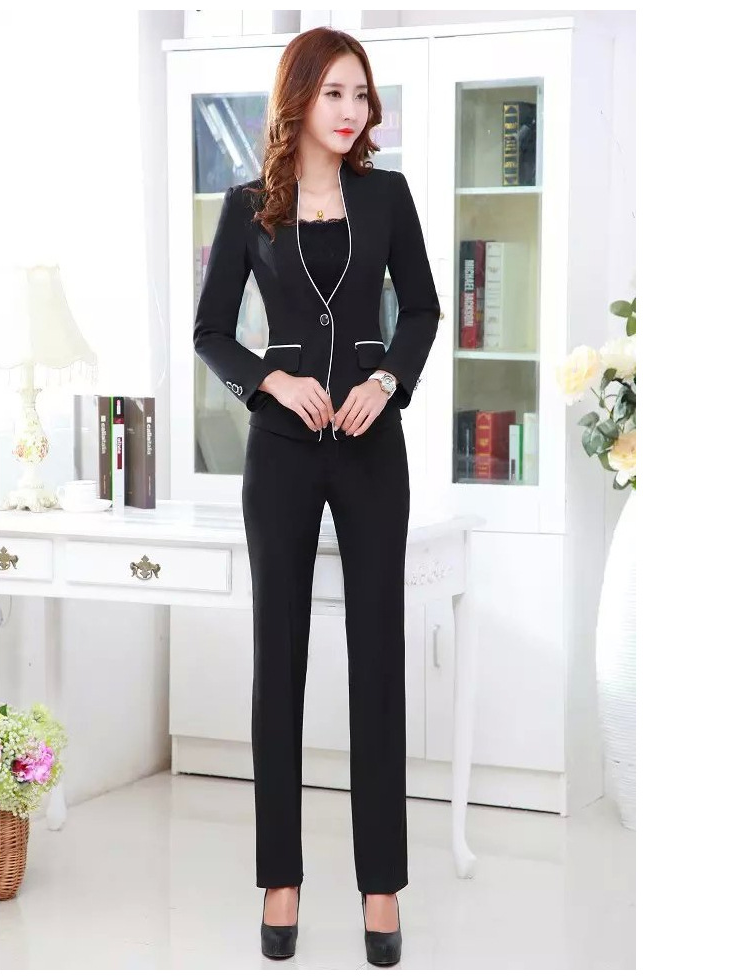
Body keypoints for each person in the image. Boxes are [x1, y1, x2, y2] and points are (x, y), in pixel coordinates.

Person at [193, 26, 440, 966]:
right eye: (334, 92)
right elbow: (212, 330)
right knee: (279, 664)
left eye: (360, 94)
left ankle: (380, 887)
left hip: (373, 450)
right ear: (298, 98)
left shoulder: (388, 195)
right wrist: (268, 379)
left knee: (377, 661)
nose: (351, 110)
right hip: (283, 452)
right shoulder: (248, 206)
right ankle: (280, 879)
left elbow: (421, 308)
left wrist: (387, 380)